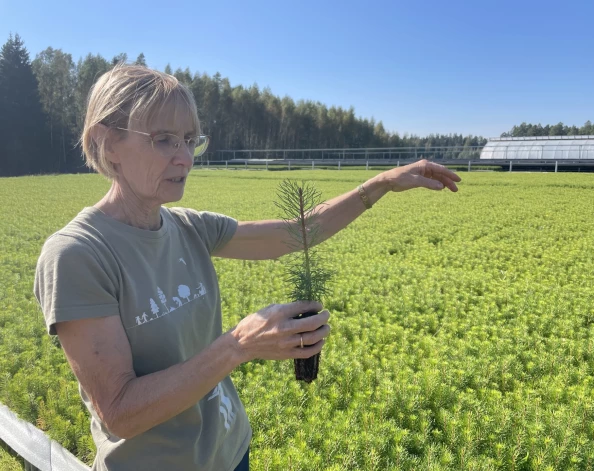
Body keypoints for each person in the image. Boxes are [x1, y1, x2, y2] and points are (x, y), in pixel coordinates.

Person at [34, 64, 461, 471]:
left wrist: (380, 184)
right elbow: (120, 413)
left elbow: (300, 230)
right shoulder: (78, 254)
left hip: (231, 450)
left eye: (190, 139)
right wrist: (238, 344)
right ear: (107, 142)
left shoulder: (190, 228)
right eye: (164, 139)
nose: (184, 158)